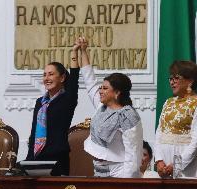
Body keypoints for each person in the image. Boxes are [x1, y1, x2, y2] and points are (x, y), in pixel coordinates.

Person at [78, 37, 143, 178]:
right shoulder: (101, 106)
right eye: (101, 87)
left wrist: (128, 182)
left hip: (120, 172)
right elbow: (89, 80)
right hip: (98, 170)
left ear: (117, 92)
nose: (100, 91)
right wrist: (83, 51)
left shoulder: (128, 115)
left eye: (105, 88)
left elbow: (134, 154)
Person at [26, 41, 80, 176]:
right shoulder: (40, 102)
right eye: (44, 74)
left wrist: (74, 52)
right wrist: (28, 159)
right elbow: (34, 132)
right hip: (35, 158)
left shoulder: (68, 98)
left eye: (51, 74)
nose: (46, 78)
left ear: (62, 78)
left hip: (57, 160)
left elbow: (74, 77)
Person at [155, 60, 197, 178]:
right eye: (170, 78)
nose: (172, 82)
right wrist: (158, 160)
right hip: (165, 163)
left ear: (190, 81)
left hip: (188, 164)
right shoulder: (168, 102)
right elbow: (159, 132)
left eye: (176, 78)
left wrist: (177, 165)